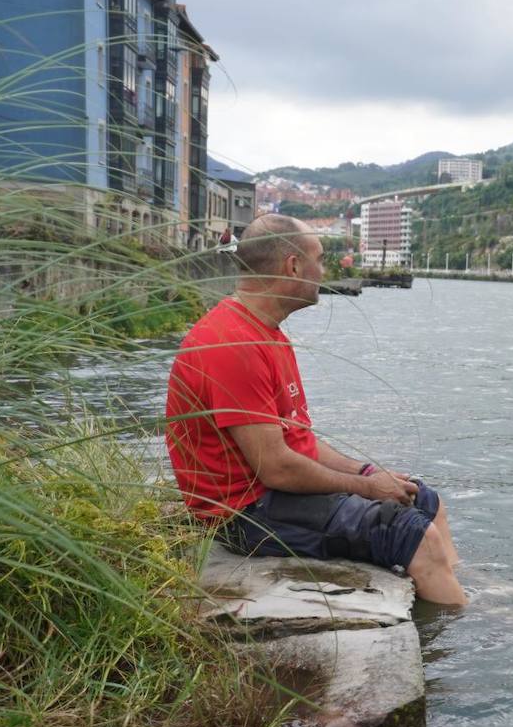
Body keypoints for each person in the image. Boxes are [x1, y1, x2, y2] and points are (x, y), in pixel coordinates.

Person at [165, 214, 466, 605]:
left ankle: (464, 589)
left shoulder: (269, 336)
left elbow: (298, 441)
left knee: (424, 500)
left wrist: (370, 471)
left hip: (270, 496)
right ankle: (464, 623)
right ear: (293, 265)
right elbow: (275, 467)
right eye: (319, 259)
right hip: (243, 516)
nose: (323, 270)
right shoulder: (232, 342)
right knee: (412, 533)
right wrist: (368, 489)